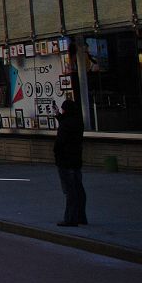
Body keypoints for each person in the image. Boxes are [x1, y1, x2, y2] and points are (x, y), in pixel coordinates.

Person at [53, 96, 88, 227]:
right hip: (76, 158)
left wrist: (56, 152)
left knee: (69, 190)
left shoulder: (65, 125)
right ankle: (81, 216)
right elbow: (67, 122)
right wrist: (58, 115)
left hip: (64, 160)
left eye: (62, 110)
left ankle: (70, 218)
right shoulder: (78, 122)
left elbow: (60, 142)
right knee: (78, 189)